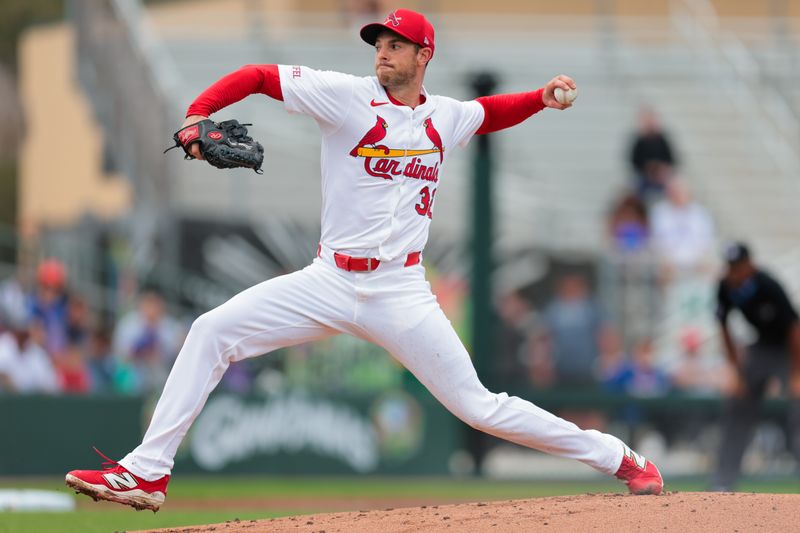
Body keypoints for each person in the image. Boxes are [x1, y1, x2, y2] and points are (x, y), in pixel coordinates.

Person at [65, 9, 662, 511]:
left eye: (396, 43)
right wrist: (198, 112)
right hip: (327, 279)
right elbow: (257, 75)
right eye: (379, 41)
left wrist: (540, 98)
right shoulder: (344, 96)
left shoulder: (443, 117)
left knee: (480, 409)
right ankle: (146, 473)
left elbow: (490, 111)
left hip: (401, 293)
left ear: (423, 54)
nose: (383, 50)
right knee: (211, 330)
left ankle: (615, 456)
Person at [711, 242, 800, 491]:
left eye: (738, 267)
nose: (735, 273)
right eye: (731, 268)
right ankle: (723, 481)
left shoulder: (768, 285)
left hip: (789, 349)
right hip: (761, 348)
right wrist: (737, 373)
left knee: (797, 409)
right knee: (737, 406)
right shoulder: (726, 287)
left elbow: (794, 329)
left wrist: (796, 375)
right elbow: (724, 328)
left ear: (749, 265)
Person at [628, 107, 677, 202]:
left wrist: (661, 169)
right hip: (645, 177)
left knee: (673, 185)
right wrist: (647, 169)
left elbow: (671, 160)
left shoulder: (662, 140)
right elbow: (634, 161)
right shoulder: (639, 141)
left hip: (661, 176)